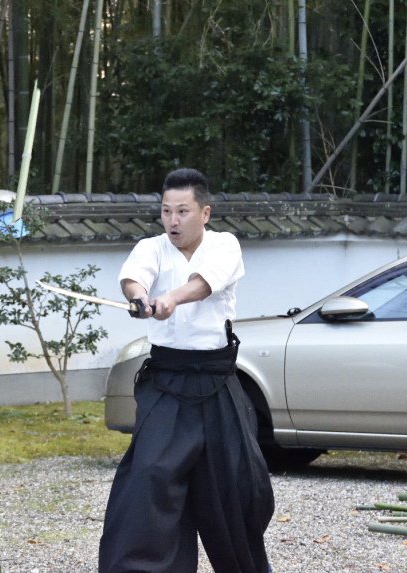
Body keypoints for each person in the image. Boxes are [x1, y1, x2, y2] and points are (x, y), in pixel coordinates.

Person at [98, 168, 274, 573]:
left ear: (204, 213)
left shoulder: (224, 245)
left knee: (236, 487)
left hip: (217, 383)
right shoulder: (152, 247)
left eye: (182, 211)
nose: (173, 220)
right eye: (166, 211)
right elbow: (133, 278)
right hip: (166, 383)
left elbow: (206, 282)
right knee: (149, 478)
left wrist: (172, 299)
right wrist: (140, 298)